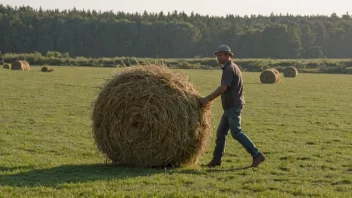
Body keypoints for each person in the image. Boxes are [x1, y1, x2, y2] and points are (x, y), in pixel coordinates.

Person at [200, 45, 265, 168]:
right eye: (217, 55)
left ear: (228, 55)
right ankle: (216, 160)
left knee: (236, 132)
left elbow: (224, 87)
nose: (218, 58)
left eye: (220, 55)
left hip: (233, 106)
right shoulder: (231, 67)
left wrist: (207, 99)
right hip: (230, 106)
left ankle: (257, 155)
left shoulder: (229, 69)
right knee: (221, 133)